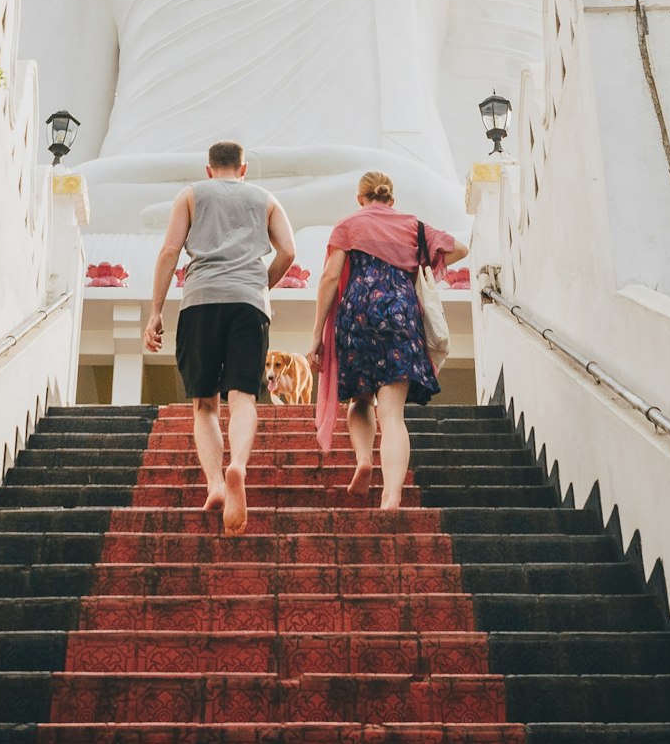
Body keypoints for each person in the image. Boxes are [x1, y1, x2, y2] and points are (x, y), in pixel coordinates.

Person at [144, 139, 297, 531]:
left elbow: (169, 252)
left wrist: (155, 312)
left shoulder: (192, 194)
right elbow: (289, 252)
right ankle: (238, 467)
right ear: (243, 169)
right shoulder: (265, 199)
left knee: (204, 403)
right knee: (243, 397)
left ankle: (214, 483)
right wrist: (260, 285)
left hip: (200, 301)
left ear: (209, 169)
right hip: (248, 301)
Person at [308, 169, 464, 512]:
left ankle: (364, 460)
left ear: (360, 199)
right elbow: (460, 249)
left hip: (357, 314)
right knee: (392, 415)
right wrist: (418, 263)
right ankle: (391, 494)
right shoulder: (413, 225)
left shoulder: (348, 225)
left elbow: (330, 277)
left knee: (360, 402)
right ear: (391, 200)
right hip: (399, 312)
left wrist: (317, 334)